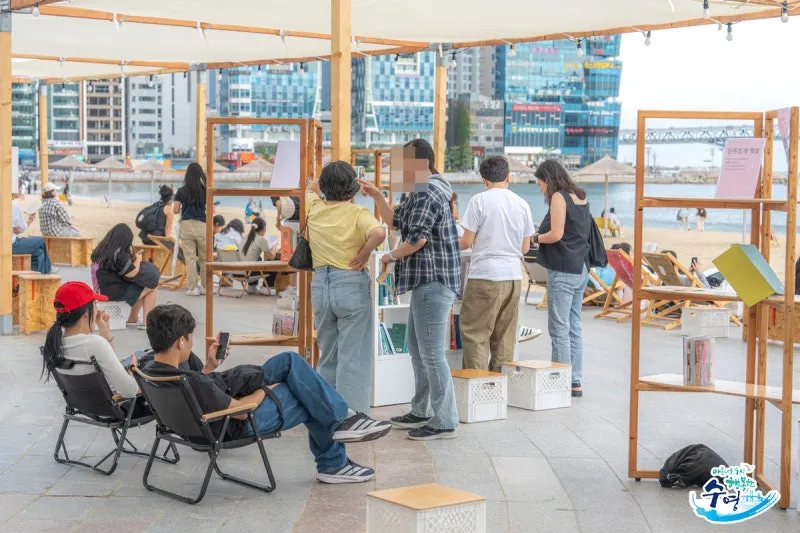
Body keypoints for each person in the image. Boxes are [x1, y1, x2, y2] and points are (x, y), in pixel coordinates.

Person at [140, 304, 391, 484]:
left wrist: (210, 367)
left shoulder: (150, 370)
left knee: (290, 361)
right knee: (304, 394)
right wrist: (264, 390)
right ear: (181, 341)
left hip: (210, 413)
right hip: (236, 423)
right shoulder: (191, 381)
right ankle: (335, 454)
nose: (192, 342)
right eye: (190, 338)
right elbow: (240, 412)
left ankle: (341, 424)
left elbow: (196, 395)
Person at [361, 139, 461, 440]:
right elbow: (395, 221)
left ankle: (445, 420)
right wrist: (377, 196)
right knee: (418, 350)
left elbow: (417, 239)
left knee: (431, 353)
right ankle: (422, 409)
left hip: (433, 279)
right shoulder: (422, 190)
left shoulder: (428, 191)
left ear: (420, 164)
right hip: (426, 281)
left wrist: (389, 257)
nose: (399, 171)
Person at [306, 162, 386, 413]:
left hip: (321, 284)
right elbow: (379, 233)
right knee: (353, 356)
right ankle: (352, 418)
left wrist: (324, 182)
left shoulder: (314, 207)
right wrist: (364, 253)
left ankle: (327, 414)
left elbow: (311, 187)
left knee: (328, 353)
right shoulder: (358, 213)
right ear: (353, 187)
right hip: (350, 284)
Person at [458, 156, 535, 372]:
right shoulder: (522, 204)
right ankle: (500, 387)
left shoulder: (479, 201)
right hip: (513, 278)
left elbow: (466, 242)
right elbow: (525, 247)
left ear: (484, 180)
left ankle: (479, 386)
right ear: (508, 176)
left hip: (485, 276)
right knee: (505, 338)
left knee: (476, 334)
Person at [532, 160, 591, 398]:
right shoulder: (581, 196)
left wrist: (536, 238)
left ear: (548, 179)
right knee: (574, 326)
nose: (540, 188)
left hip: (564, 270)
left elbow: (556, 234)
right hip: (581, 268)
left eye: (540, 183)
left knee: (559, 328)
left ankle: (559, 381)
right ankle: (575, 381)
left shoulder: (559, 197)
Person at [40, 281, 139, 400]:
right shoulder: (94, 344)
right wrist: (134, 370)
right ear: (86, 313)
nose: (97, 310)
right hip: (117, 406)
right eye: (95, 304)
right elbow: (129, 391)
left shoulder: (55, 342)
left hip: (88, 405)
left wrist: (105, 332)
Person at [91, 224, 159, 329]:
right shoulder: (119, 253)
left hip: (102, 290)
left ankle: (133, 319)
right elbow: (131, 273)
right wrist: (138, 259)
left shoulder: (102, 250)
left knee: (140, 286)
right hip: (114, 294)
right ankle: (146, 322)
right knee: (152, 287)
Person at [174, 162, 208, 296]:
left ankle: (193, 288)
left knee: (190, 258)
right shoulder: (205, 190)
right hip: (202, 225)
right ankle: (205, 287)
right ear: (200, 174)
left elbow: (176, 210)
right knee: (204, 258)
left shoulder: (181, 191)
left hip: (186, 225)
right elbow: (212, 209)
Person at [11, 190, 52, 274]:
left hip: (7, 242)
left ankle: (37, 275)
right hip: (11, 245)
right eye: (19, 188)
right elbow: (21, 229)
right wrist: (30, 219)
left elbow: (17, 230)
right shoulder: (14, 206)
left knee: (39, 253)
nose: (20, 191)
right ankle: (47, 271)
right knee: (40, 241)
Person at [242, 216, 279, 295]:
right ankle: (266, 287)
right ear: (263, 230)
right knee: (275, 261)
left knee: (257, 258)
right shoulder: (261, 239)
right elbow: (271, 257)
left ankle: (251, 287)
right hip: (250, 273)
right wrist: (274, 247)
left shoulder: (244, 238)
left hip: (240, 272)